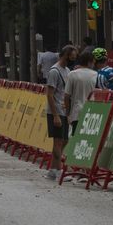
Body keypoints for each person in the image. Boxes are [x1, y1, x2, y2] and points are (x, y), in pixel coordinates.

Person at [45, 45, 76, 181]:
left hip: (63, 112)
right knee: (58, 142)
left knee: (64, 141)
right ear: (66, 55)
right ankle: (58, 171)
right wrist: (56, 115)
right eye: (73, 55)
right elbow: (49, 95)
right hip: (56, 112)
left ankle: (53, 170)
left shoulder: (67, 70)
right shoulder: (54, 71)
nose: (74, 58)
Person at [67, 49, 98, 134]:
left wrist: (68, 114)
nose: (94, 65)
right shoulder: (96, 75)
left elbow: (66, 96)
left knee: (76, 136)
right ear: (89, 62)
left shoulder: (72, 74)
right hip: (92, 112)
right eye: (93, 63)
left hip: (76, 113)